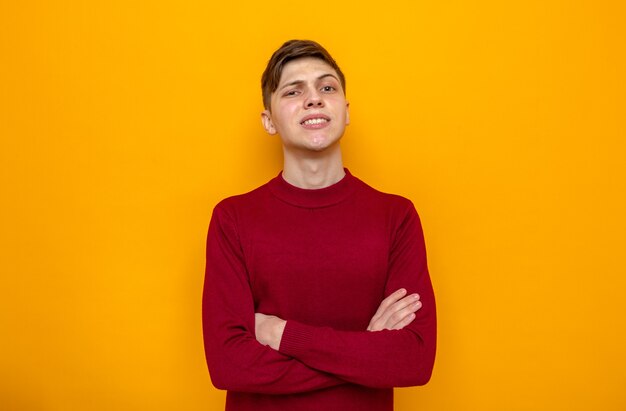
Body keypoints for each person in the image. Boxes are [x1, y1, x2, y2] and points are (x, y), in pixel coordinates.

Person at [203, 39, 436, 411]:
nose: (314, 99)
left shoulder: (397, 216)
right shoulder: (232, 219)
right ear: (269, 120)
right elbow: (228, 365)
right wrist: (363, 352)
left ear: (345, 110)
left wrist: (282, 335)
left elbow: (413, 360)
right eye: (293, 91)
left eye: (327, 87)